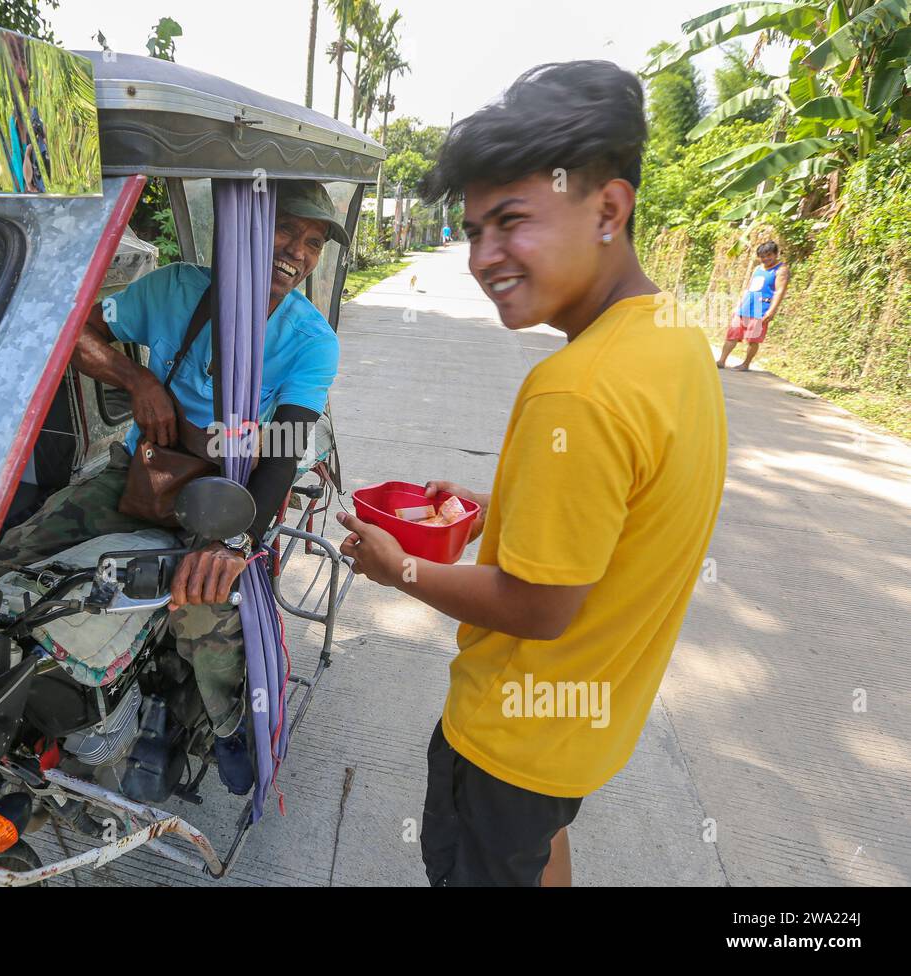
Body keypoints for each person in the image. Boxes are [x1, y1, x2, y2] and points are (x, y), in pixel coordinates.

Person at [335, 61, 726, 886]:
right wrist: (508, 504)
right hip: (584, 728)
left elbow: (540, 607)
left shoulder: (576, 389)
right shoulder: (672, 336)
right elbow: (623, 507)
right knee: (540, 847)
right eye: (475, 230)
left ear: (608, 209)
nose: (484, 257)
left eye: (511, 222)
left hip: (512, 735)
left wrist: (396, 565)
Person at [0, 180, 345, 791]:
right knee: (12, 556)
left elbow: (281, 452)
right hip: (142, 471)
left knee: (202, 614)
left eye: (312, 242)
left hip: (231, 492)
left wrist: (233, 544)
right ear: (244, 229)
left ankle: (231, 726)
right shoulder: (174, 288)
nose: (297, 252)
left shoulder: (311, 342)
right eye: (285, 229)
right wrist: (136, 379)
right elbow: (76, 330)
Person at [717, 241, 788, 371]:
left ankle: (746, 364)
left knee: (753, 339)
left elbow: (780, 291)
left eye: (769, 255)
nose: (766, 259)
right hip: (747, 304)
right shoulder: (757, 268)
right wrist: (738, 305)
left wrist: (771, 311)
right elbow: (748, 288)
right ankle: (722, 361)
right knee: (732, 334)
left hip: (762, 307)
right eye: (762, 256)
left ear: (776, 254)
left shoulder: (781, 270)